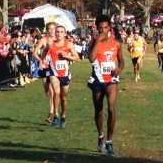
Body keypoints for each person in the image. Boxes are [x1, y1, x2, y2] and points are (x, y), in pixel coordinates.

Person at [88, 14, 124, 156]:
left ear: (109, 27)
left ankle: (109, 141)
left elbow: (121, 62)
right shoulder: (94, 42)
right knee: (99, 111)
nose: (103, 30)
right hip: (97, 79)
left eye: (105, 27)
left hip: (111, 80)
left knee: (111, 107)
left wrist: (119, 69)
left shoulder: (116, 44)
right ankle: (101, 136)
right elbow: (91, 59)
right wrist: (97, 41)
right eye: (100, 28)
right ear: (97, 28)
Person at [41, 25, 80, 129]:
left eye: (61, 32)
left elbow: (78, 58)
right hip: (54, 73)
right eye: (57, 31)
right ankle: (56, 115)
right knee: (56, 92)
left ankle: (63, 116)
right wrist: (42, 59)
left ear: (65, 34)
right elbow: (44, 52)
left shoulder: (69, 45)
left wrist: (67, 56)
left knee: (64, 97)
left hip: (65, 74)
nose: (58, 33)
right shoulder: (50, 44)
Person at [33, 22, 57, 123]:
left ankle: (51, 114)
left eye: (53, 29)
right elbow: (34, 53)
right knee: (47, 91)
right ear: (47, 30)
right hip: (45, 67)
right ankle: (53, 108)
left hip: (54, 68)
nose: (52, 31)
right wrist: (40, 60)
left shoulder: (59, 40)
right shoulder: (44, 40)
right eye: (50, 29)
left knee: (52, 90)